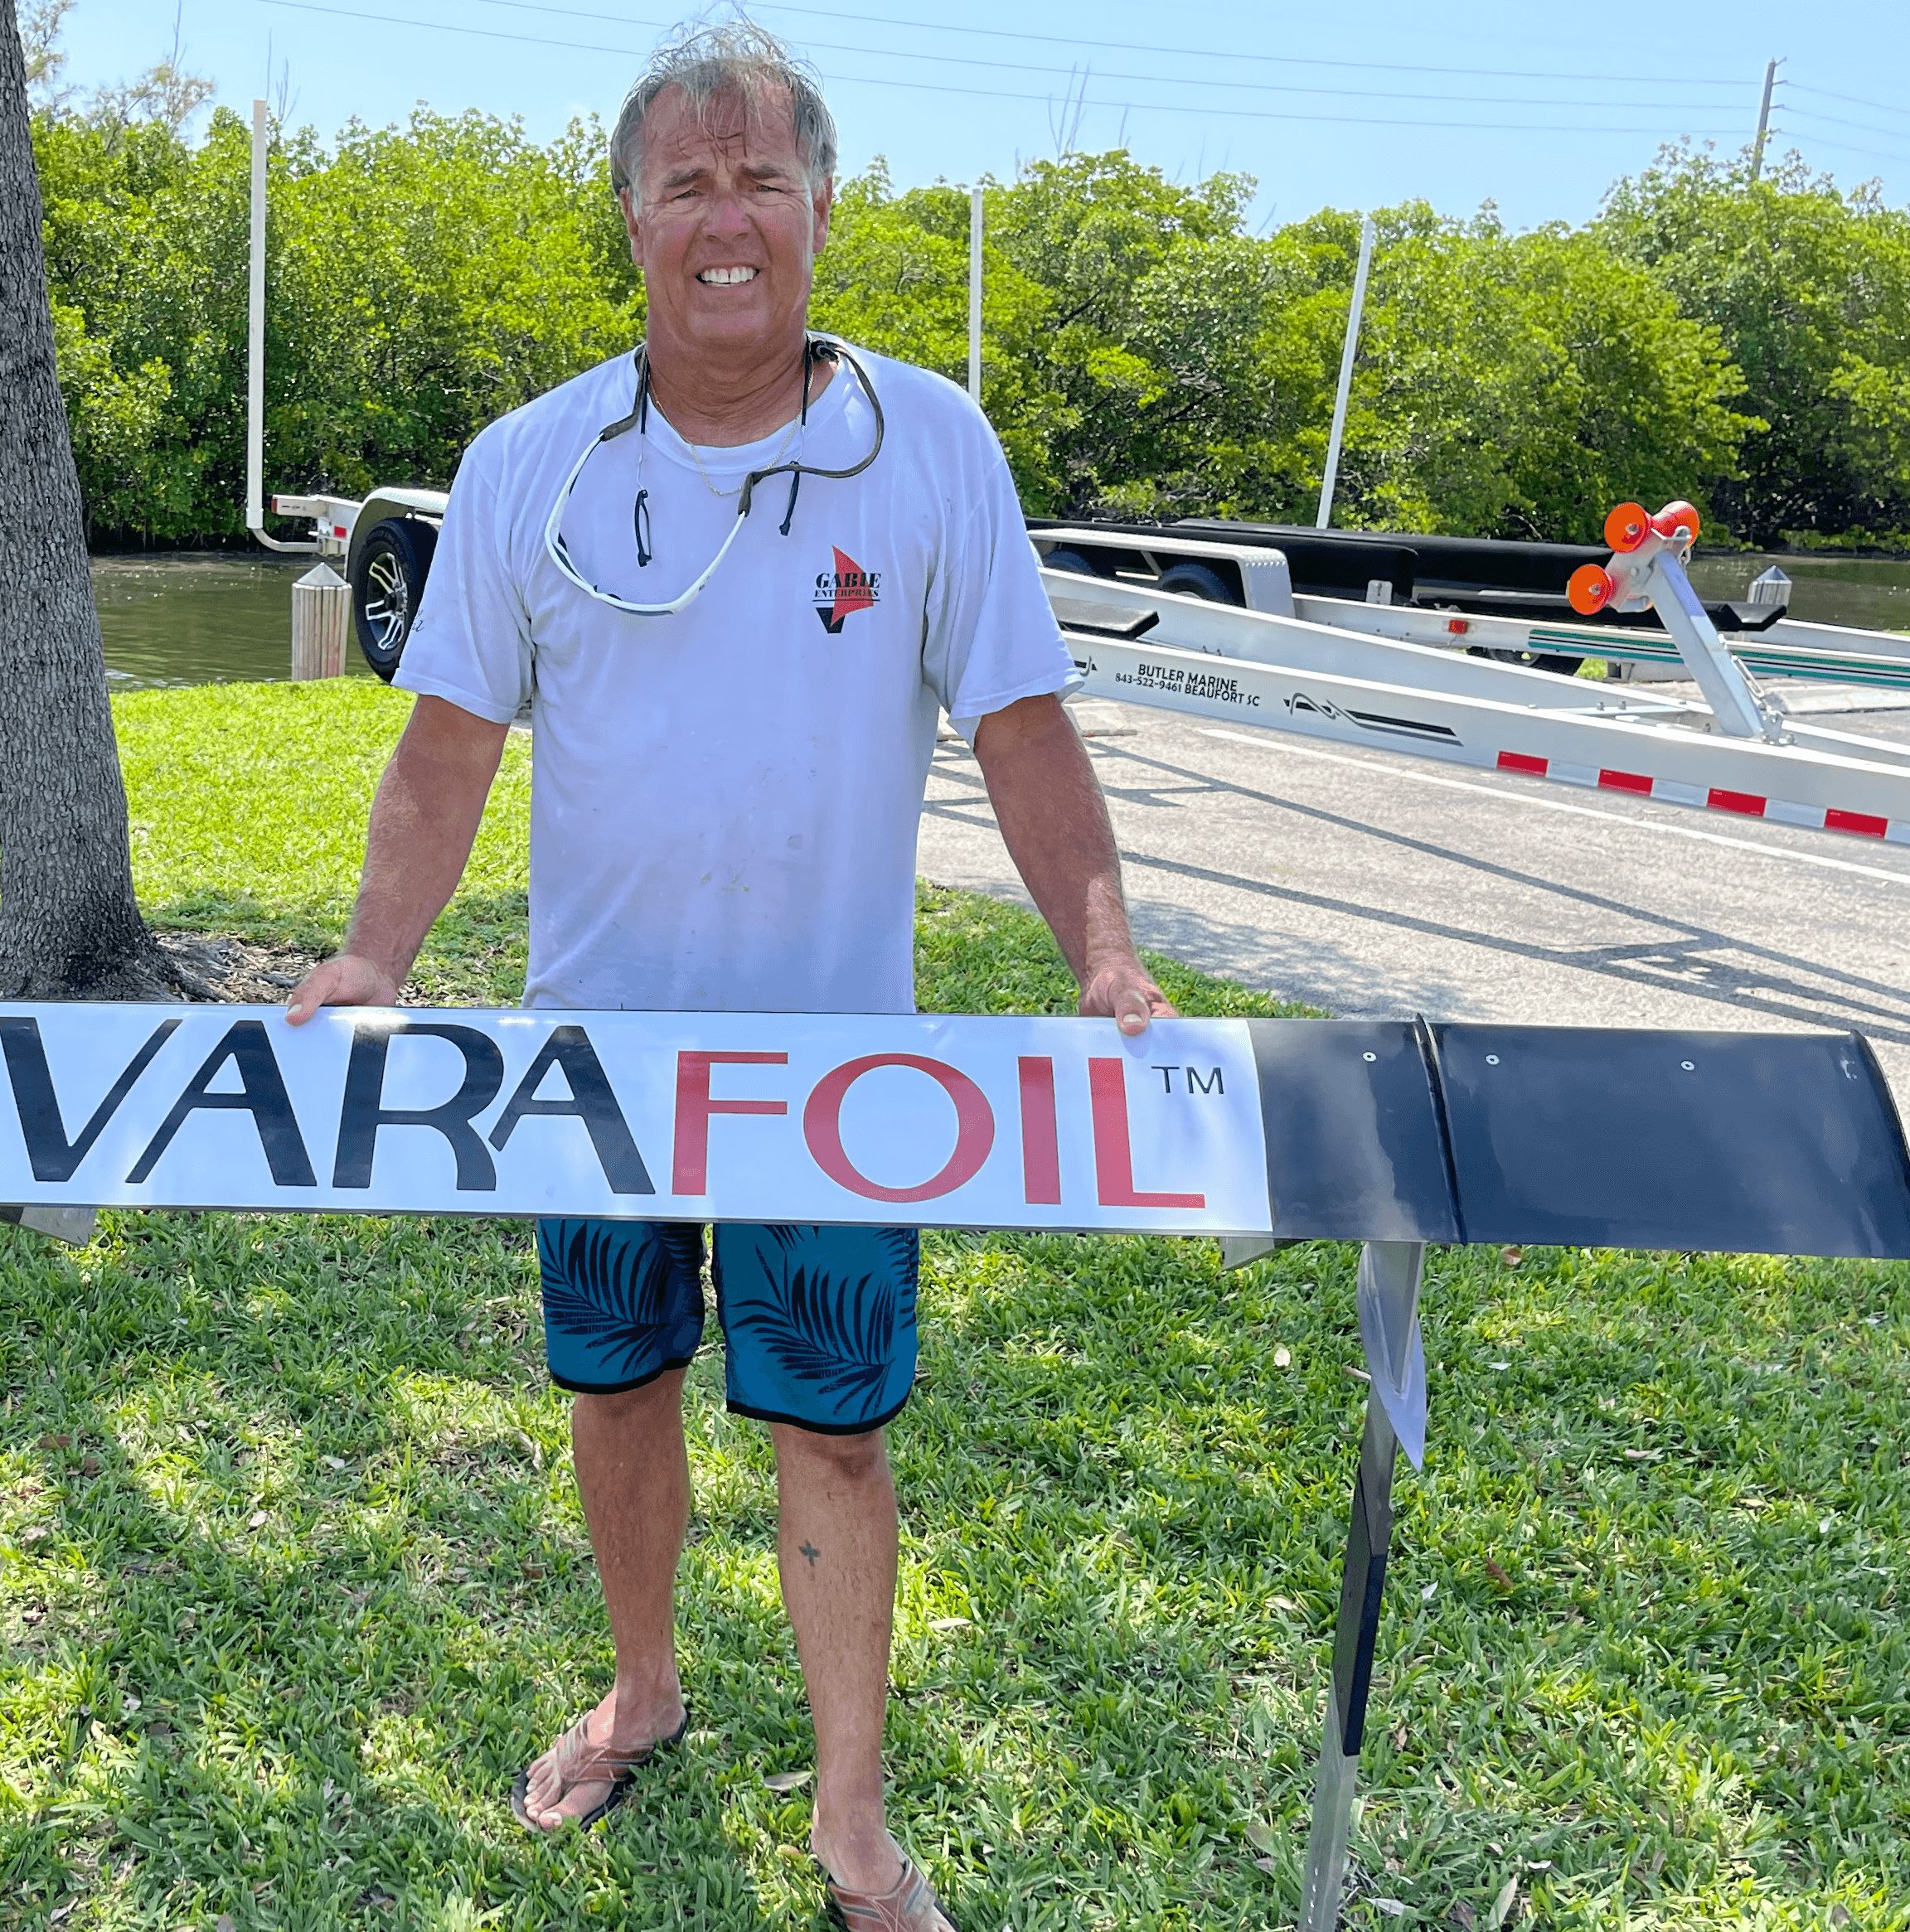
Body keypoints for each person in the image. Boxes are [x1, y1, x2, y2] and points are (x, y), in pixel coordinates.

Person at [284, 22, 1169, 1930]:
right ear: (630, 220)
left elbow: (1022, 731)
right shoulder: (528, 463)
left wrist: (1102, 950)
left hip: (844, 1073)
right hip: (590, 1065)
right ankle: (649, 1685)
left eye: (762, 176)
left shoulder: (932, 443)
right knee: (617, 1385)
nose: (727, 217)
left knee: (835, 1421)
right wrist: (373, 953)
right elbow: (446, 750)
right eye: (686, 182)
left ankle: (854, 1820)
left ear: (824, 209)